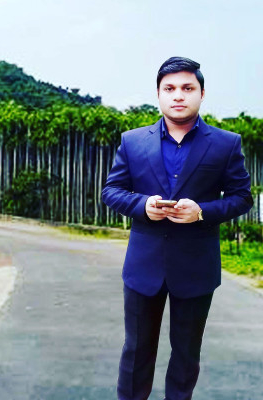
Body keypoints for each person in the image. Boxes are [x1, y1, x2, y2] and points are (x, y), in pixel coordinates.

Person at [101, 57, 253, 400]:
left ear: (202, 93)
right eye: (169, 88)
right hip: (143, 265)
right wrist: (143, 206)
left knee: (186, 355)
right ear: (158, 94)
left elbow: (243, 197)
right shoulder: (133, 141)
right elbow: (111, 191)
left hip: (196, 266)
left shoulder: (226, 143)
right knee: (136, 352)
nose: (178, 95)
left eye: (187, 88)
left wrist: (202, 212)